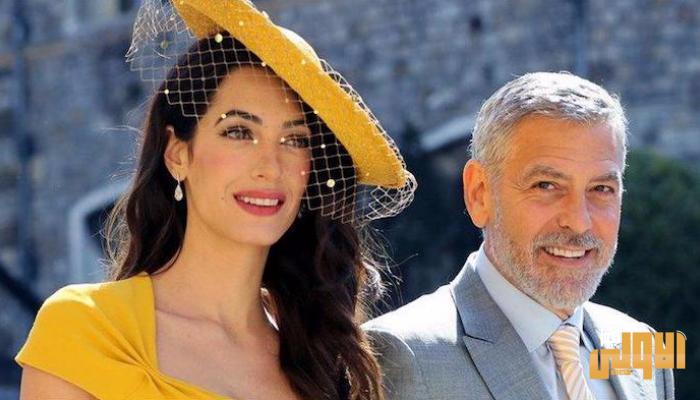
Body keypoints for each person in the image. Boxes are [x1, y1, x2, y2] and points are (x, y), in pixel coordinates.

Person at [15, 1, 415, 399]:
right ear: (177, 153)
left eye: (294, 140)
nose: (270, 166)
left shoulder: (326, 358)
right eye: (239, 132)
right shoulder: (86, 329)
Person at [364, 72, 674, 400]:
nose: (579, 222)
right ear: (479, 193)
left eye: (601, 188)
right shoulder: (403, 356)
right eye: (546, 185)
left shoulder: (644, 348)